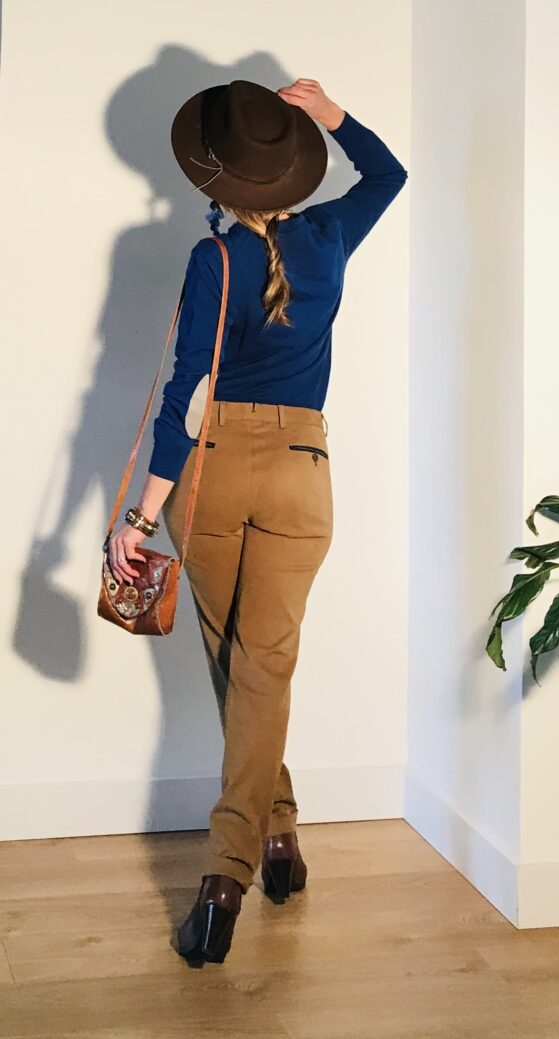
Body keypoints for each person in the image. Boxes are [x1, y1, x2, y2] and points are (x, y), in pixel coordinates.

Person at [107, 77, 408, 964]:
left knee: (237, 665)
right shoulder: (329, 235)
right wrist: (333, 115)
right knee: (261, 668)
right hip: (302, 472)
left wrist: (139, 518)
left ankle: (224, 876)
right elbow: (389, 176)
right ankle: (277, 833)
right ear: (291, 173)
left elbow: (186, 395)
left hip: (214, 473)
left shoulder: (216, 258)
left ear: (217, 177)